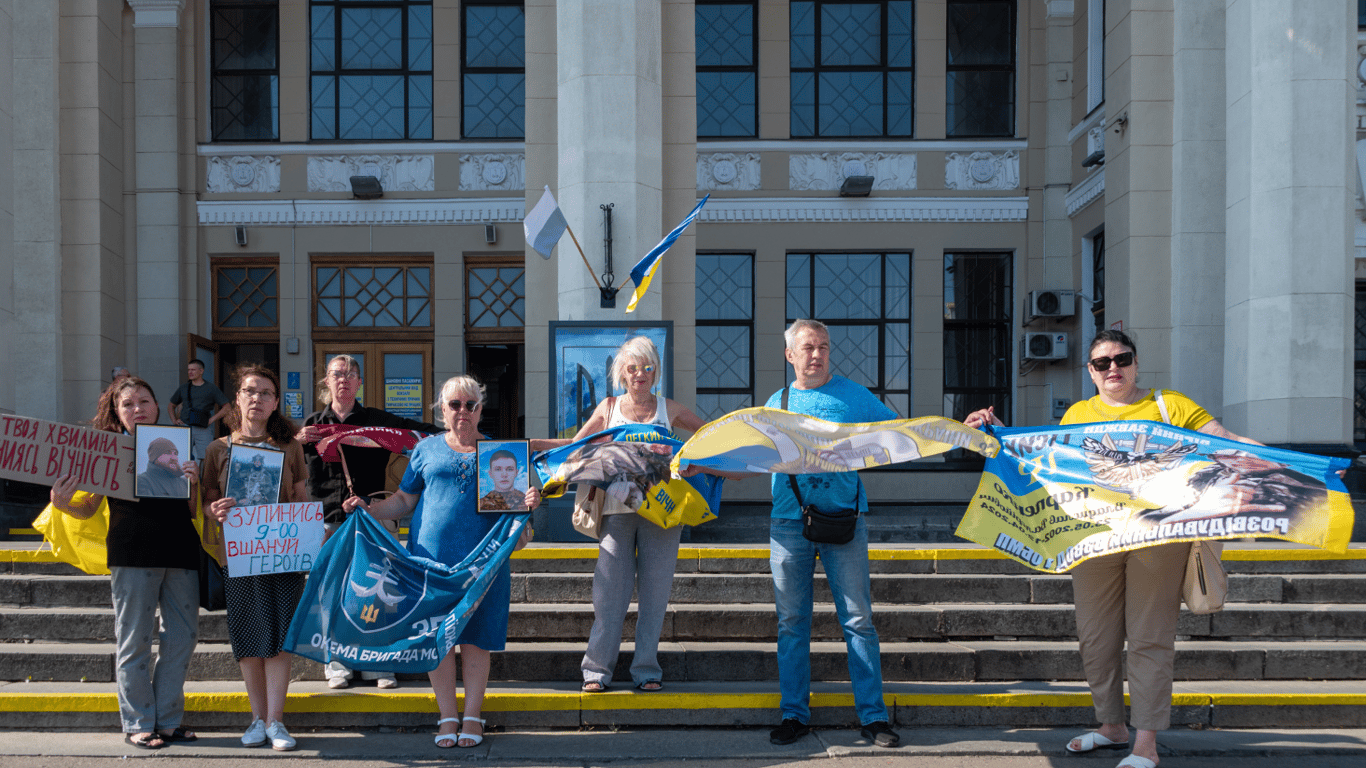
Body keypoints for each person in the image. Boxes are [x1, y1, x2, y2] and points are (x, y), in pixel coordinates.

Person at [964, 329, 1261, 768]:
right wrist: (1001, 436)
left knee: (1148, 638)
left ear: (1136, 363)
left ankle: (1146, 744)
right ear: (1090, 372)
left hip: (1158, 537)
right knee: (1096, 637)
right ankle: (1111, 726)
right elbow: (1047, 463)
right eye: (1102, 363)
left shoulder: (1168, 405)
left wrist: (1280, 461)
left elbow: (1223, 440)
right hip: (1094, 536)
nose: (1113, 369)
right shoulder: (1080, 413)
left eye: (1121, 359)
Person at [342, 375, 538, 749]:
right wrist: (370, 508)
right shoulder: (426, 448)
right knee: (439, 639)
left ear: (481, 409)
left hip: (483, 565)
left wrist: (526, 508)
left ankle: (473, 717)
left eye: (471, 405)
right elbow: (404, 500)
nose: (462, 412)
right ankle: (448, 715)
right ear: (442, 409)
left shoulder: (504, 455)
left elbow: (519, 531)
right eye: (454, 405)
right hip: (430, 562)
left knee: (478, 640)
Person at [761, 319, 900, 748]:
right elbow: (750, 458)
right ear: (790, 356)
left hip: (845, 521)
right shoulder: (775, 402)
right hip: (788, 524)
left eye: (822, 346)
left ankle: (874, 719)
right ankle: (794, 716)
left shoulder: (853, 396)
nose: (816, 354)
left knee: (858, 622)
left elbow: (896, 436)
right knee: (792, 623)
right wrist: (701, 465)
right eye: (807, 347)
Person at [49, 377, 200, 750]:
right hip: (132, 554)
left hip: (181, 552)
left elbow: (193, 510)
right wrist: (61, 501)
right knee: (135, 640)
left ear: (157, 406)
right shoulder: (110, 453)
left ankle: (167, 722)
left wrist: (194, 483)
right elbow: (86, 508)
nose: (137, 409)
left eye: (144, 401)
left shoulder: (178, 445)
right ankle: (137, 723)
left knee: (181, 639)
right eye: (128, 403)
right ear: (116, 412)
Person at [550, 337, 707, 695]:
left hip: (663, 515)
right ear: (621, 373)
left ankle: (646, 669)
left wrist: (692, 462)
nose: (640, 374)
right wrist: (541, 456)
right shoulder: (608, 407)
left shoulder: (669, 408)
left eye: (647, 367)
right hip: (617, 513)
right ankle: (596, 671)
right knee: (608, 596)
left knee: (655, 596)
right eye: (633, 368)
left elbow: (706, 434)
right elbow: (577, 447)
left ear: (655, 371)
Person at [296, 354, 439, 690]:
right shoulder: (311, 425)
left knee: (376, 591)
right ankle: (337, 661)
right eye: (336, 374)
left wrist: (462, 436)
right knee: (332, 592)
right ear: (326, 382)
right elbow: (296, 474)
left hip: (373, 517)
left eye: (350, 374)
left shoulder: (375, 420)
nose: (343, 379)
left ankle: (379, 661)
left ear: (359, 382)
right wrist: (296, 441)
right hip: (328, 521)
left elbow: (421, 433)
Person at [203, 364, 309, 752]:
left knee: (280, 639)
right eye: (250, 391)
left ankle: (276, 721)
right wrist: (215, 510)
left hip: (283, 553)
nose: (257, 399)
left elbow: (301, 496)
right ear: (238, 398)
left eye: (266, 393)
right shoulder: (219, 449)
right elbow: (207, 499)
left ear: (276, 402)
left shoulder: (290, 447)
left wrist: (313, 531)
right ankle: (256, 720)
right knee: (248, 639)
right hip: (239, 555)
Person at [169, 359, 230, 461]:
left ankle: (202, 477)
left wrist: (211, 420)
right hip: (185, 427)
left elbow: (227, 407)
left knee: (206, 458)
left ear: (201, 371)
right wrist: (174, 420)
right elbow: (171, 405)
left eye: (193, 370)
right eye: (189, 370)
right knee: (180, 455)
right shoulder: (184, 387)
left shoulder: (211, 388)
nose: (190, 372)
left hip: (203, 428)